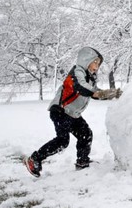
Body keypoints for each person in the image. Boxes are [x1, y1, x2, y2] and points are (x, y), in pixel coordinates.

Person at [23, 47, 122, 177]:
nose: (97, 67)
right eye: (95, 62)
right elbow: (80, 87)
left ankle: (82, 162)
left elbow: (94, 92)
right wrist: (99, 93)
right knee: (63, 140)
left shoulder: (90, 78)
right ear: (86, 60)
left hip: (73, 114)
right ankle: (34, 159)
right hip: (60, 111)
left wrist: (110, 94)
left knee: (86, 134)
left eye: (98, 64)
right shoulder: (77, 72)